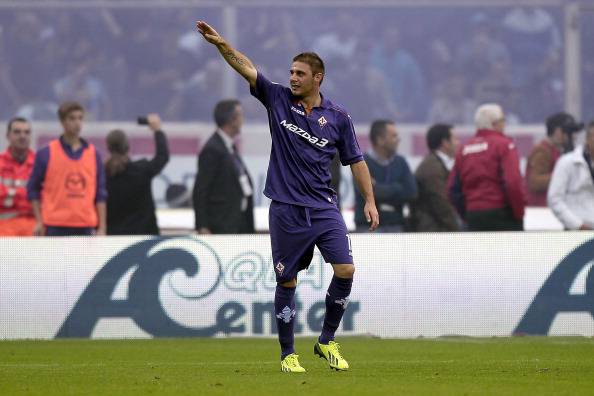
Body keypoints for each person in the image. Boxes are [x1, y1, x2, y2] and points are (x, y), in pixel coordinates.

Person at [196, 20, 379, 373]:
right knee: (287, 281)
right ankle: (287, 354)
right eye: (291, 72)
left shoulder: (339, 117)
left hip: (324, 208)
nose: (292, 77)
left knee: (345, 268)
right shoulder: (277, 97)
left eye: (299, 73)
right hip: (285, 208)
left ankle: (326, 341)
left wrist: (369, 200)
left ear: (318, 78)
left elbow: (356, 160)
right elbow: (246, 67)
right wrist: (221, 45)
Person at [27, 101, 107, 236]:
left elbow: (101, 193)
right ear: (62, 122)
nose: (77, 123)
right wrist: (39, 221)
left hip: (85, 225)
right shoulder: (46, 153)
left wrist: (102, 227)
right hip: (54, 225)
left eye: (80, 118)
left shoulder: (94, 154)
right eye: (72, 118)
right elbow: (32, 189)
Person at [448, 103, 525, 231]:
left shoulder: (464, 149)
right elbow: (513, 183)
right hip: (502, 215)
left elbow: (452, 189)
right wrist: (518, 213)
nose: (505, 124)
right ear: (494, 124)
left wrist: (467, 213)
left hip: (474, 216)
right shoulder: (504, 145)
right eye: (503, 120)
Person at [192, 99, 254, 234]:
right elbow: (201, 190)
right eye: (240, 115)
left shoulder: (229, 146)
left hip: (239, 222)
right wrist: (202, 225)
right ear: (232, 120)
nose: (243, 120)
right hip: (222, 225)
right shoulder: (212, 149)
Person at [105, 113, 169, 235]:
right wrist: (157, 131)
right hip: (144, 238)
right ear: (128, 147)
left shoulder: (103, 174)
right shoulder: (142, 169)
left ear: (108, 148)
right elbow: (162, 157)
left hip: (113, 240)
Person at [354, 120, 417, 233]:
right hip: (368, 228)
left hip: (396, 225)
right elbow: (364, 191)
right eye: (394, 136)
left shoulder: (400, 162)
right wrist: (397, 188)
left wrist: (376, 187)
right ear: (380, 140)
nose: (398, 139)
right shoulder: (362, 163)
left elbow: (411, 192)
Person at [525, 112, 583, 206]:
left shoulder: (555, 151)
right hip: (540, 211)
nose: (574, 137)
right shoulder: (542, 151)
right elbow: (534, 182)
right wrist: (563, 175)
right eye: (570, 133)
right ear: (558, 132)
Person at [410, 124, 460, 232]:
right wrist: (457, 230)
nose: (458, 143)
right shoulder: (432, 168)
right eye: (455, 139)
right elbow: (441, 204)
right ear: (445, 143)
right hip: (433, 231)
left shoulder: (435, 164)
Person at [547, 121, 594, 230]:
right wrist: (577, 225)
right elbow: (554, 199)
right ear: (587, 139)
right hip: (578, 230)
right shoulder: (566, 162)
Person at [0, 117, 36, 236]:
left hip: (34, 227)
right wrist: (26, 195)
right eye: (17, 132)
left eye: (26, 132)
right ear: (8, 136)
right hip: (4, 227)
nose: (22, 136)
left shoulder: (40, 164)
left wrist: (10, 193)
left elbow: (46, 197)